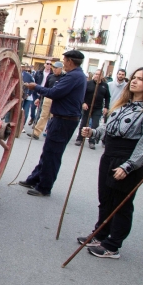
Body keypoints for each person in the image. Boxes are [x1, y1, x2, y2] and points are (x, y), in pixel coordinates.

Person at [77, 67, 143, 258]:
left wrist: (128, 167)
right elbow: (106, 127)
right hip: (109, 156)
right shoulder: (121, 105)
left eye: (140, 79)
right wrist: (93, 133)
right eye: (133, 78)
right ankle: (100, 234)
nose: (133, 81)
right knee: (106, 199)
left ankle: (113, 245)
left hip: (128, 161)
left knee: (121, 204)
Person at [18, 50, 87, 196]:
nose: (62, 64)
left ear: (70, 61)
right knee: (48, 152)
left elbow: (55, 93)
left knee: (52, 154)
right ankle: (35, 179)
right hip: (62, 118)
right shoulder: (76, 75)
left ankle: (44, 187)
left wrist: (35, 87)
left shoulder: (73, 76)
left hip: (64, 120)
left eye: (64, 60)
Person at [75, 69, 110, 150]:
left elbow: (107, 97)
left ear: (102, 76)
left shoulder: (105, 85)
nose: (97, 75)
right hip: (87, 107)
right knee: (83, 123)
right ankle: (79, 139)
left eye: (99, 74)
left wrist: (106, 107)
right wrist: (83, 103)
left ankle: (92, 141)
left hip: (97, 108)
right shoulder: (88, 84)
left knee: (95, 125)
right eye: (96, 74)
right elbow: (81, 94)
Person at [29, 61, 64, 139]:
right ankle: (36, 133)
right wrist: (39, 98)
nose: (54, 69)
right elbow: (44, 88)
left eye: (56, 68)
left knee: (54, 118)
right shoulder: (50, 76)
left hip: (57, 99)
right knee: (43, 116)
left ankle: (51, 133)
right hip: (48, 98)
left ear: (61, 69)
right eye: (54, 68)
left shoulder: (64, 78)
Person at [21, 65, 35, 131]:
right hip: (20, 96)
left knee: (25, 111)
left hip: (27, 97)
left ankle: (22, 126)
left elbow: (33, 85)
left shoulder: (28, 76)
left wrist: (29, 94)